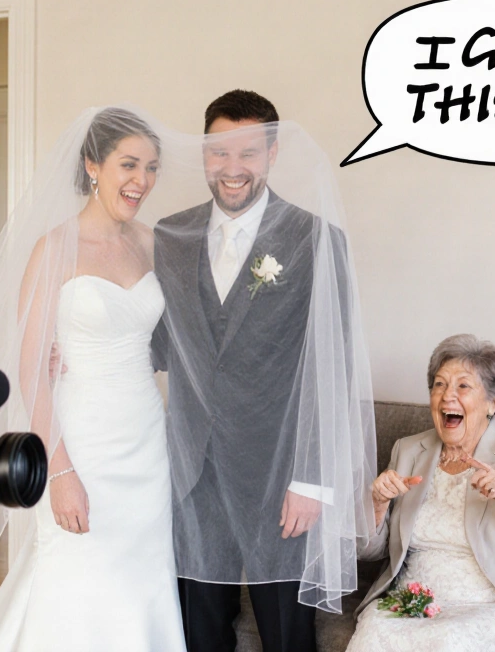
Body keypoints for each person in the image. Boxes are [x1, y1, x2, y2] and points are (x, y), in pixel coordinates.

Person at [0, 108, 186, 650]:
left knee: (141, 579)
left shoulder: (152, 242)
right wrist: (61, 471)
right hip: (82, 441)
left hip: (145, 438)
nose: (142, 180)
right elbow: (31, 373)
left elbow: (171, 337)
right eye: (129, 164)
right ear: (93, 165)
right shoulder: (54, 247)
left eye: (152, 167)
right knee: (76, 577)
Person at [151, 90, 377, 652]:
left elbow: (333, 364)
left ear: (272, 154)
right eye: (219, 153)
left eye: (248, 153)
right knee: (197, 628)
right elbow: (157, 343)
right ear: (203, 154)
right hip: (193, 473)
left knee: (285, 633)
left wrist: (312, 478)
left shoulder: (315, 238)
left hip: (281, 472)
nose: (232, 169)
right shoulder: (167, 237)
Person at [347, 334, 495, 652]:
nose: (446, 397)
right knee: (373, 633)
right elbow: (369, 551)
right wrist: (376, 502)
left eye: (463, 386)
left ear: (492, 403)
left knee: (448, 641)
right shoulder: (409, 449)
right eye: (438, 385)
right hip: (417, 599)